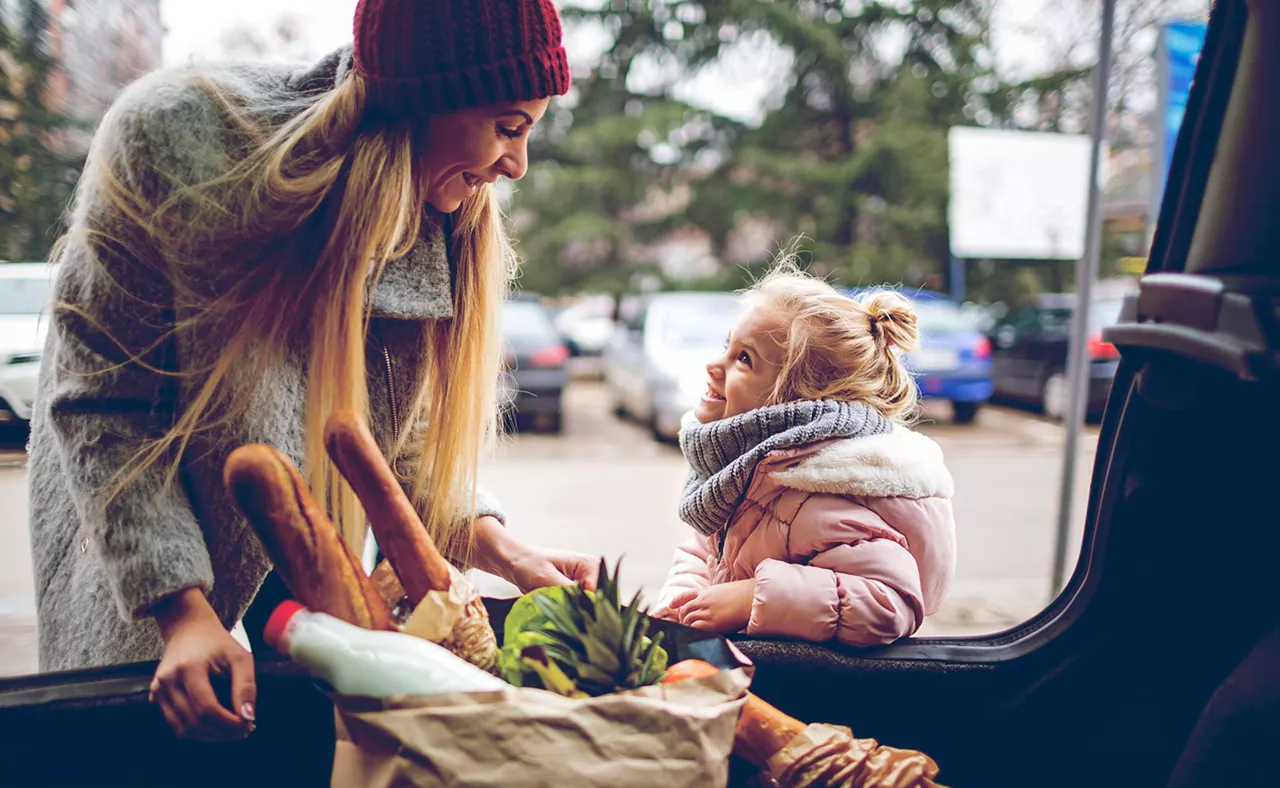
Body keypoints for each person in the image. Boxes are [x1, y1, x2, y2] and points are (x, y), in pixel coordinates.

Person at [27, 0, 597, 742]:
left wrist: (501, 547)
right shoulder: (172, 142)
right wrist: (183, 608)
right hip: (148, 569)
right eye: (509, 126)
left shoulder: (441, 209)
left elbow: (398, 434)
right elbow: (103, 400)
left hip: (302, 569)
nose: (516, 163)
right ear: (425, 98)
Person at [653, 256, 956, 645]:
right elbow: (705, 548)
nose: (714, 365)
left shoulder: (814, 497)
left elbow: (890, 601)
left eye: (744, 359)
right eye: (727, 346)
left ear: (791, 403)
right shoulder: (745, 468)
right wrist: (679, 606)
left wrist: (753, 599)